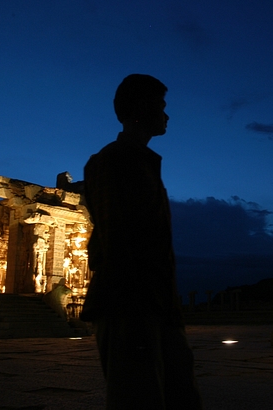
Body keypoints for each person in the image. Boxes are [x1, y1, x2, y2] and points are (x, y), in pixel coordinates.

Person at [81, 74, 203, 409]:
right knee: (138, 397)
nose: (166, 115)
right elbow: (116, 235)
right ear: (140, 108)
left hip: (153, 301)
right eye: (161, 107)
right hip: (129, 303)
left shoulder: (140, 161)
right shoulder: (112, 161)